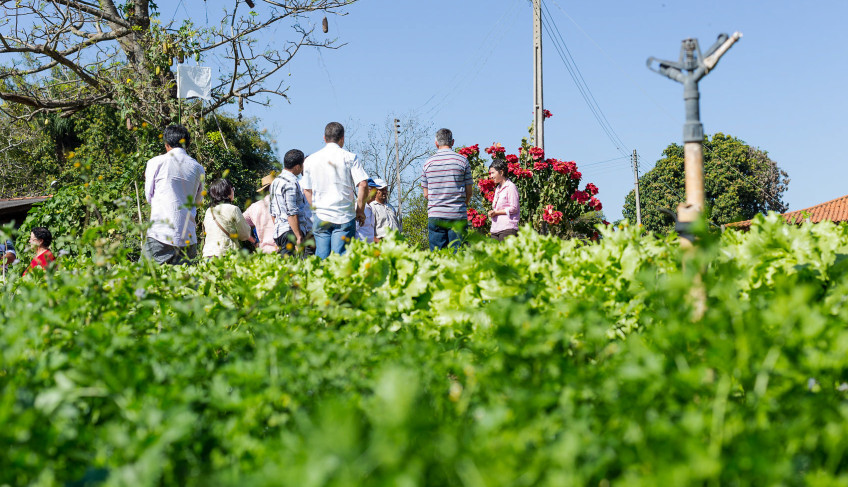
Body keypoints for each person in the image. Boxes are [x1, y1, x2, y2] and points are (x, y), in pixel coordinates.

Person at [301, 122, 369, 258]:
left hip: (321, 216)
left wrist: (316, 208)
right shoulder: (350, 157)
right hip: (344, 215)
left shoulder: (310, 160)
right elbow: (363, 184)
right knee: (340, 258)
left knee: (322, 256)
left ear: (324, 138)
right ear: (342, 138)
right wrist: (360, 210)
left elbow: (307, 190)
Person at [144, 124, 205, 265]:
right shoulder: (198, 168)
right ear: (187, 144)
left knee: (144, 276)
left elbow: (149, 196)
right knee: (185, 279)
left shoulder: (155, 162)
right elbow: (198, 201)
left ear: (166, 144)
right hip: (188, 236)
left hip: (161, 233)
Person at [421, 128, 472, 250]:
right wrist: (463, 203)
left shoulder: (428, 163)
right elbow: (469, 192)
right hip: (457, 214)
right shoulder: (462, 161)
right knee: (458, 254)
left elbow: (426, 194)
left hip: (436, 214)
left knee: (438, 255)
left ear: (436, 143)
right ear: (452, 142)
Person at [270, 149, 314, 257]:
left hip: (279, 232)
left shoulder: (275, 181)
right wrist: (298, 236)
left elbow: (272, 212)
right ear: (297, 167)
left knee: (285, 264)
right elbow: (292, 212)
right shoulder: (291, 182)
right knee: (293, 265)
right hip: (290, 232)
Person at [202, 178, 255, 258]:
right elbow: (245, 234)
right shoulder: (233, 209)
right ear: (227, 191)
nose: (233, 191)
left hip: (208, 254)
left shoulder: (209, 211)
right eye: (232, 189)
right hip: (226, 253)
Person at [243, 173, 279, 254]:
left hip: (264, 250)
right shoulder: (281, 203)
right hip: (283, 248)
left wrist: (253, 241)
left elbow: (240, 224)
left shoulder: (254, 207)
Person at [487, 160, 520, 241]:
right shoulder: (498, 189)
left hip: (507, 229)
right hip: (495, 229)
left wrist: (496, 212)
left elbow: (514, 208)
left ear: (501, 172)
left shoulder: (510, 187)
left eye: (493, 173)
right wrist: (492, 212)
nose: (491, 176)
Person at [369, 178, 401, 243]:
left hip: (396, 242)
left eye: (385, 189)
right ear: (375, 191)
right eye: (381, 190)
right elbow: (369, 231)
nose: (384, 192)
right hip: (382, 242)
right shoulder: (372, 207)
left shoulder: (391, 207)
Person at [355, 178, 378, 243]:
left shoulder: (370, 208)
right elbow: (353, 229)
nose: (376, 193)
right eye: (374, 190)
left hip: (368, 246)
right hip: (359, 245)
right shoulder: (358, 207)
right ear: (367, 190)